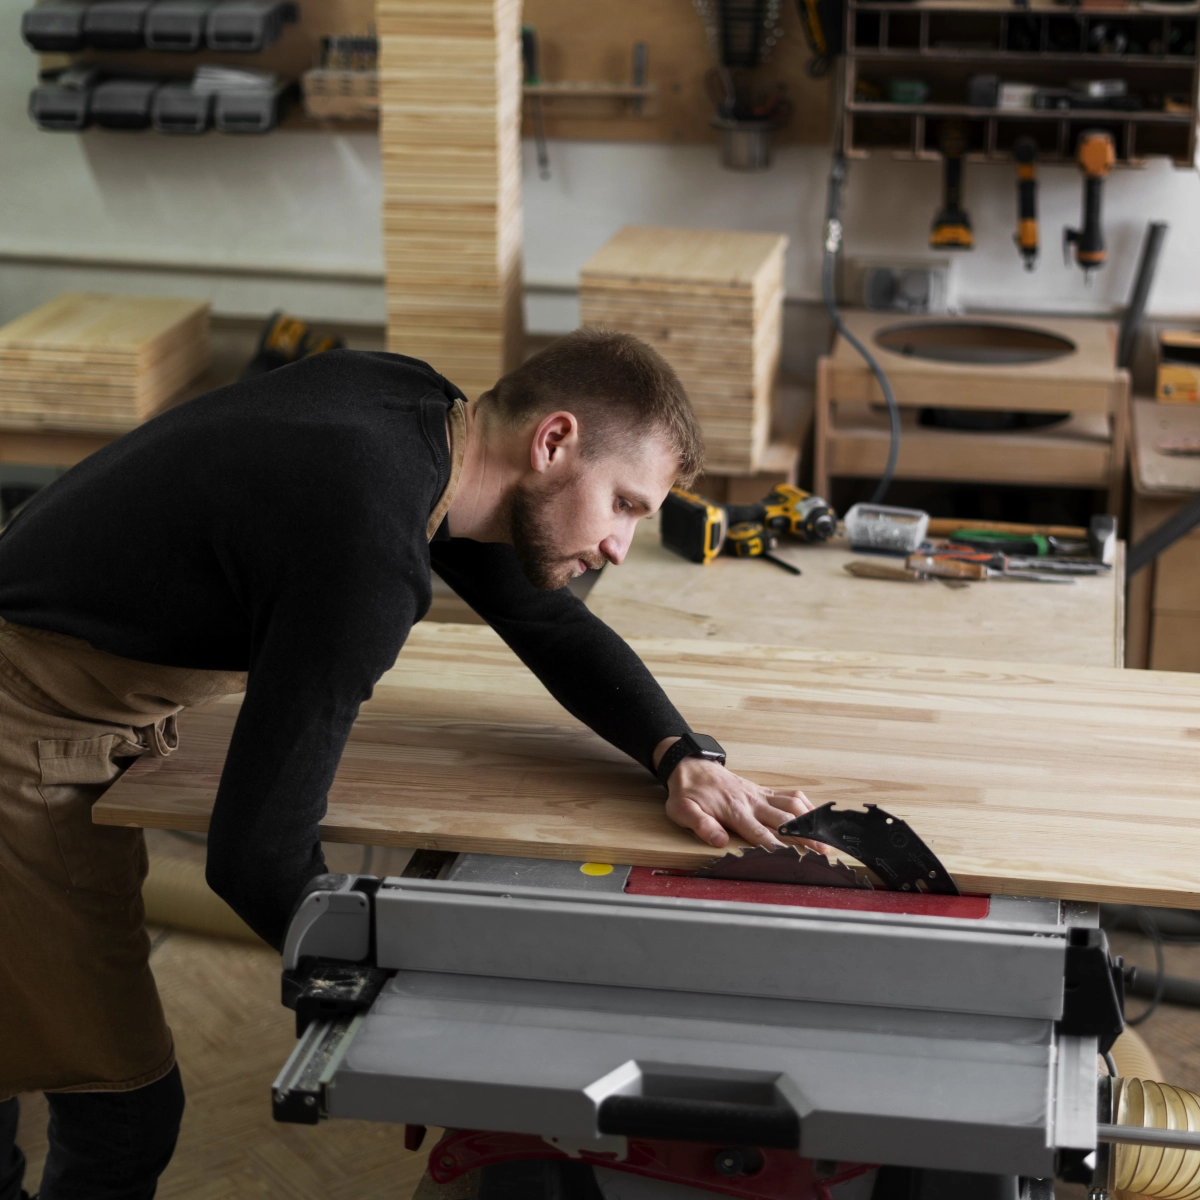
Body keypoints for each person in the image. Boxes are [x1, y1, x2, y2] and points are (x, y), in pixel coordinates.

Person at [0, 328, 813, 1198]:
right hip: (25, 724)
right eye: (624, 505)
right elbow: (257, 857)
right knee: (124, 1108)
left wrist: (681, 754)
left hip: (51, 661)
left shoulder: (415, 412)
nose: (620, 546)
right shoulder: (366, 548)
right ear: (553, 441)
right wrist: (398, 998)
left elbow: (543, 620)